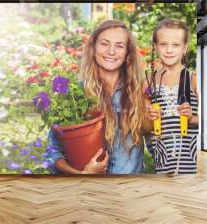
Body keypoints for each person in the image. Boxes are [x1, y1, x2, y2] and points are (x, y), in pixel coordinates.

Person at [45, 20, 145, 174]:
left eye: (119, 45)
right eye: (105, 43)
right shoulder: (74, 94)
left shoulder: (138, 92)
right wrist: (80, 175)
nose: (111, 51)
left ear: (127, 54)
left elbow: (157, 139)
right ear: (93, 48)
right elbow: (53, 149)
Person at [143, 19, 199, 174]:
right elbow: (144, 129)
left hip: (190, 160)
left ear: (185, 47)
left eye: (175, 45)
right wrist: (149, 117)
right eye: (163, 44)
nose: (169, 50)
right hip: (163, 161)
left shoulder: (193, 79)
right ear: (155, 46)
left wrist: (191, 118)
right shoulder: (149, 83)